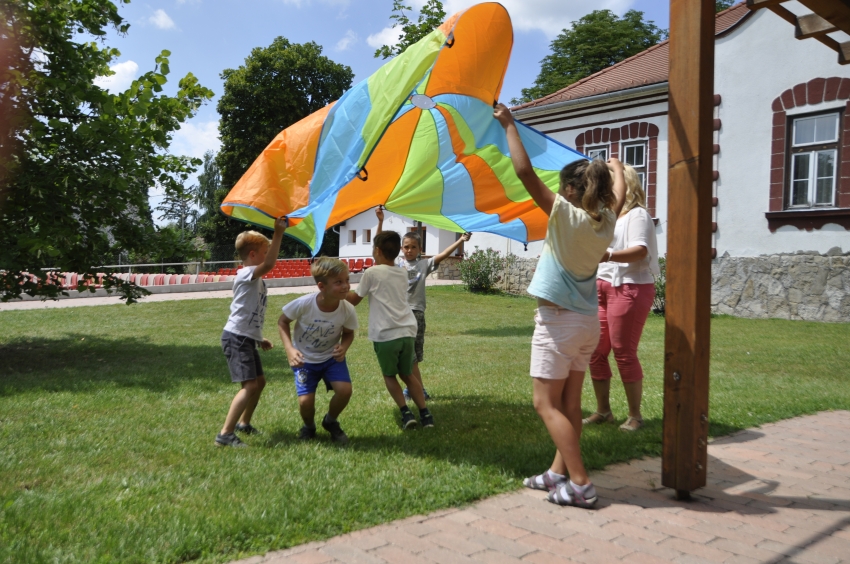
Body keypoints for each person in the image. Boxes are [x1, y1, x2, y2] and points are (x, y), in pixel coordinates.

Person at [494, 103, 625, 508]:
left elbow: (524, 173)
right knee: (569, 404)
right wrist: (616, 169)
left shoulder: (565, 215)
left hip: (559, 324)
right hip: (586, 324)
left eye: (562, 184)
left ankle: (581, 485)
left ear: (570, 189)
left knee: (544, 403)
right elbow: (618, 194)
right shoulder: (607, 220)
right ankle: (557, 473)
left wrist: (509, 125)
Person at [585, 165, 659, 432]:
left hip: (629, 286)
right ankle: (603, 411)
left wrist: (607, 255)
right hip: (603, 285)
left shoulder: (638, 215)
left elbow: (640, 251)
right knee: (596, 351)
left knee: (623, 351)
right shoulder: (608, 215)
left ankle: (635, 415)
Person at [375, 206, 472, 400]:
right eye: (406, 246)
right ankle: (416, 389)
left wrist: (460, 240)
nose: (409, 250)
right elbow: (379, 247)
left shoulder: (424, 264)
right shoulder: (395, 265)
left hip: (416, 314)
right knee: (404, 356)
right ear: (401, 248)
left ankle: (417, 389)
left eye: (413, 247)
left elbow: (444, 254)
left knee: (413, 357)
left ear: (420, 249)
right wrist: (380, 222)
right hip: (398, 315)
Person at [346, 230, 434, 430]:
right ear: (398, 251)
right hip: (407, 331)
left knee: (389, 375)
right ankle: (425, 414)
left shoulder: (371, 273)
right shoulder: (402, 272)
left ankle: (405, 413)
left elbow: (354, 300)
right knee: (408, 374)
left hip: (386, 333)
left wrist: (339, 289)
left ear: (376, 250)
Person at [216, 217, 288, 448]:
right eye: (266, 251)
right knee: (250, 386)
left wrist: (259, 338)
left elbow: (249, 312)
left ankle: (243, 424)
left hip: (245, 337)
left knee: (259, 382)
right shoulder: (245, 273)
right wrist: (278, 233)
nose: (269, 255)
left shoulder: (255, 280)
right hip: (236, 338)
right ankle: (225, 434)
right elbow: (268, 266)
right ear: (254, 254)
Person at [278, 257, 358, 445]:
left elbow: (348, 333)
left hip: (331, 359)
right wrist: (290, 350)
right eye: (339, 282)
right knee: (305, 403)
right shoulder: (304, 303)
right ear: (321, 286)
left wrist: (343, 347)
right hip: (304, 360)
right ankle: (309, 426)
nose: (346, 286)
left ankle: (330, 421)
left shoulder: (347, 309)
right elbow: (282, 321)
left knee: (345, 391)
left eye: (347, 280)